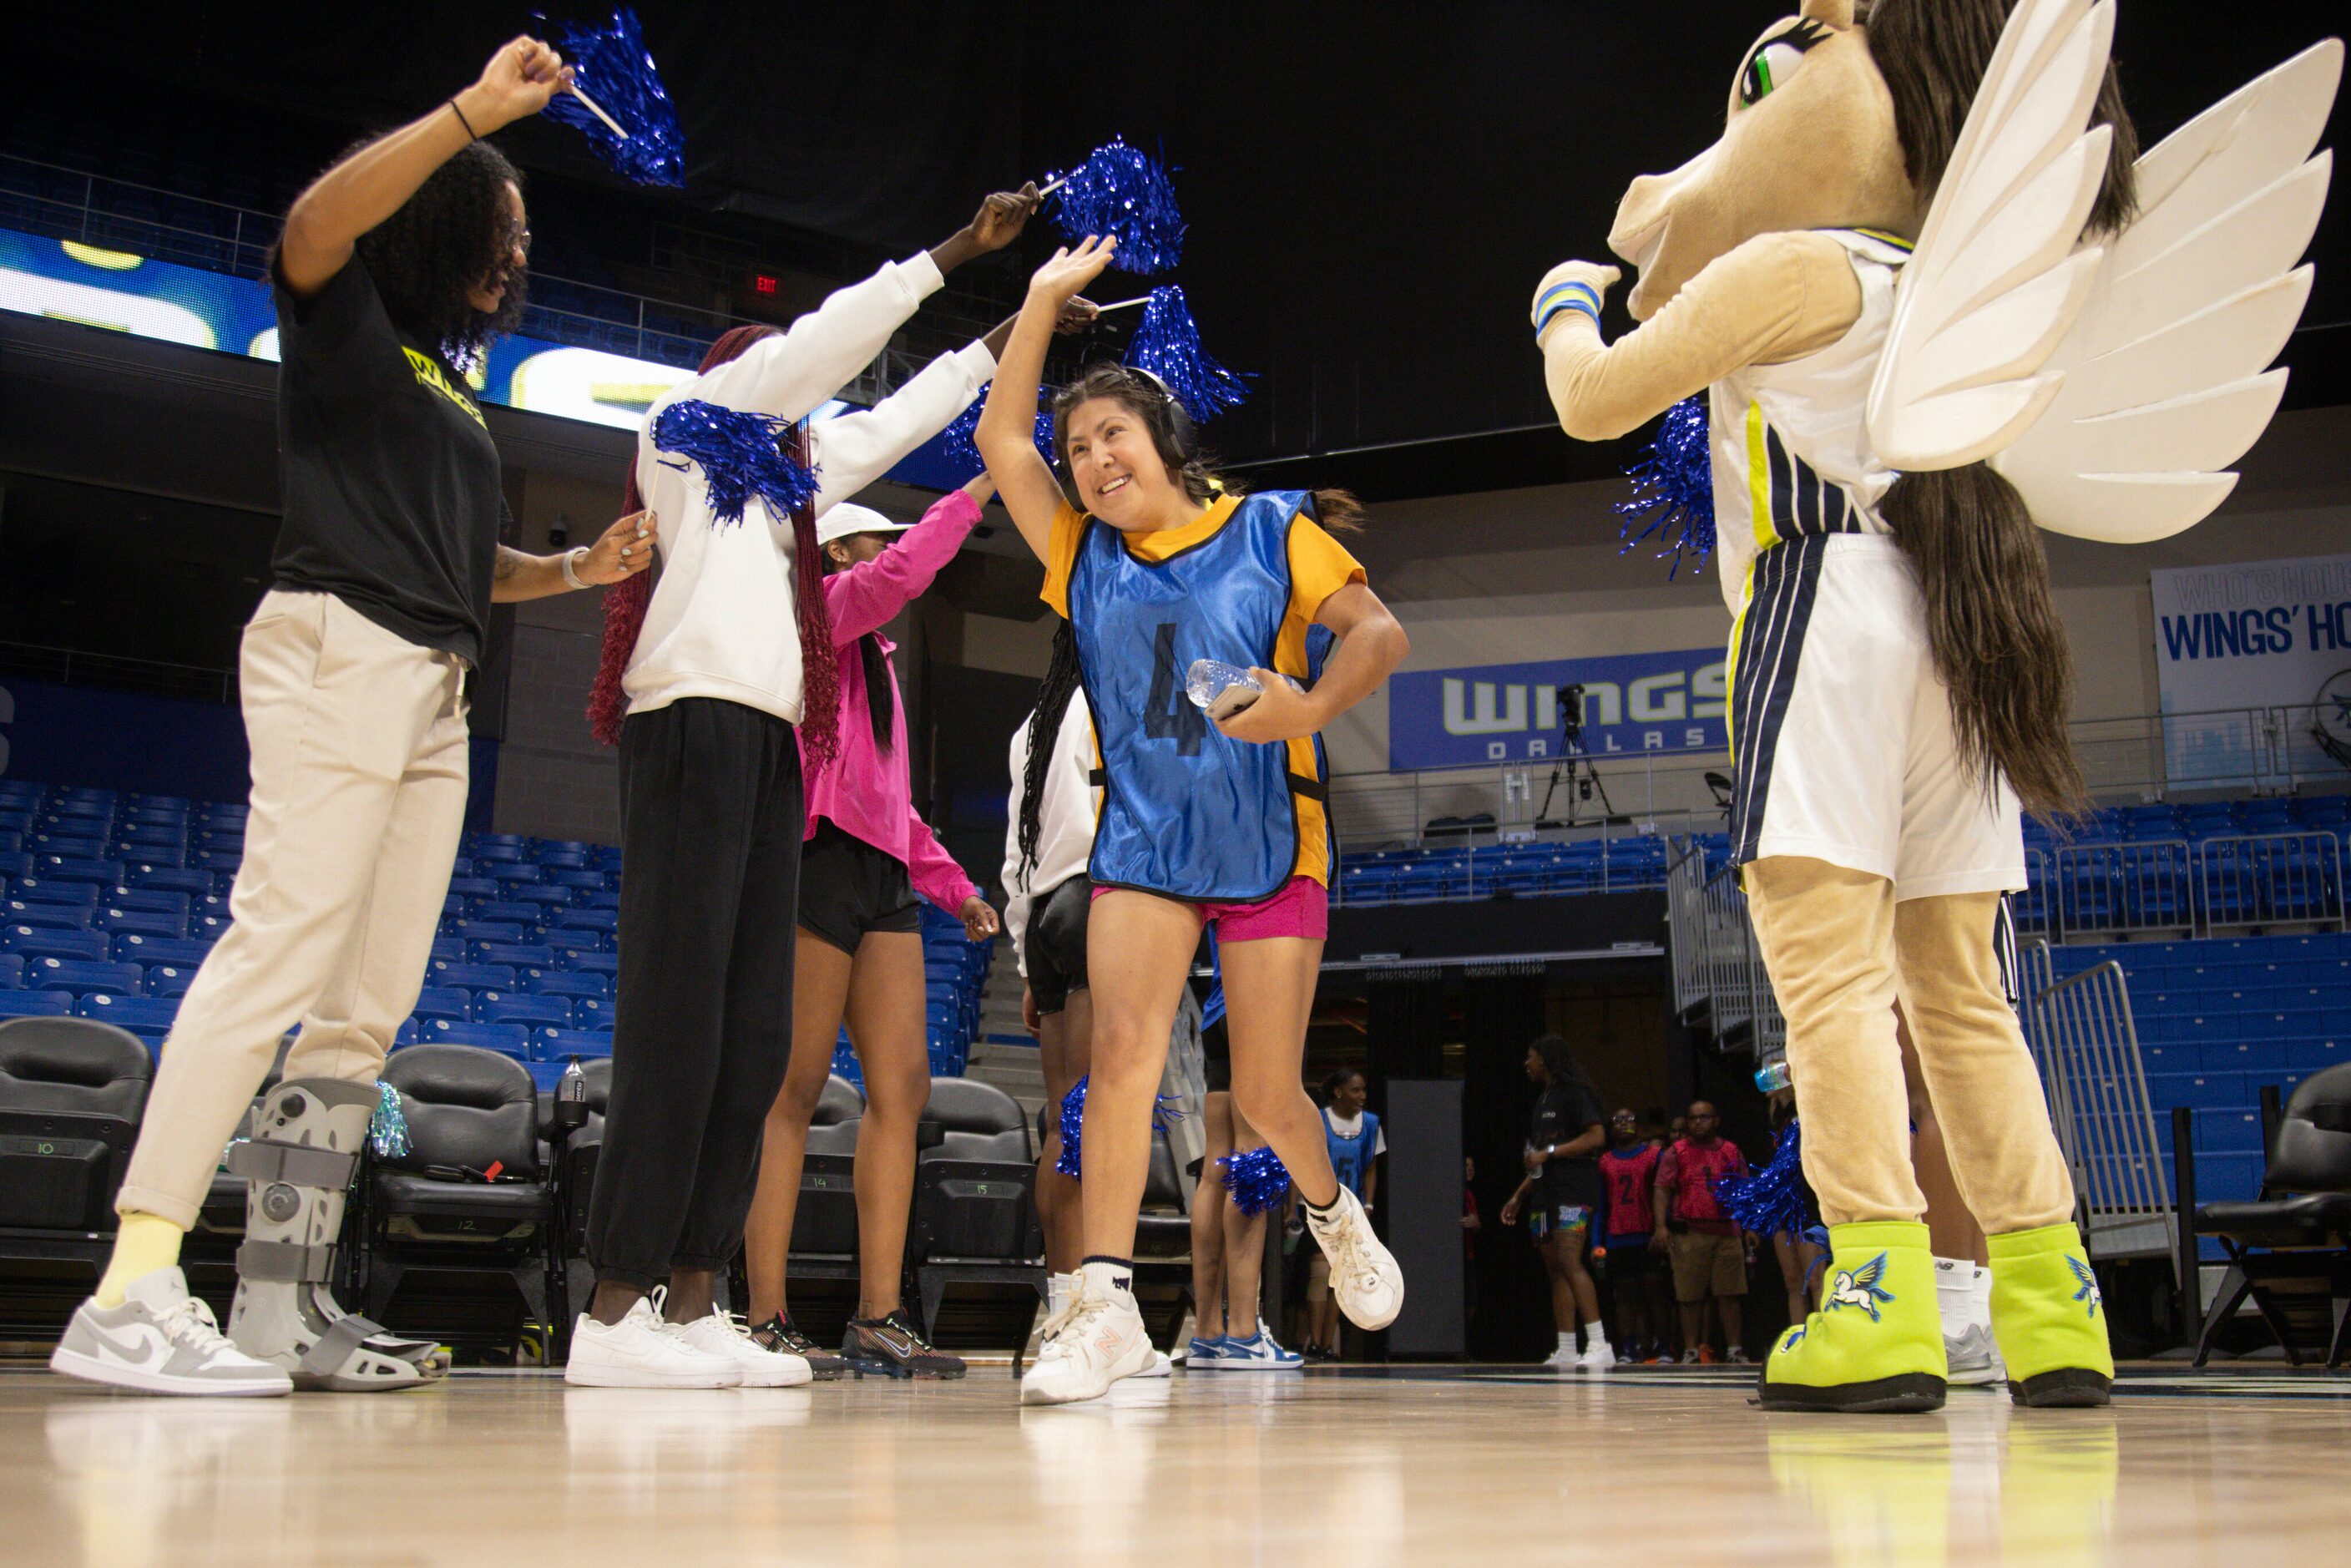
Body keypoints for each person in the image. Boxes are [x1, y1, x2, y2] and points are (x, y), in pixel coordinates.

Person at [51, 35, 659, 1398]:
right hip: (339, 647)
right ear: (443, 220)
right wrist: (470, 116)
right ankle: (135, 1278)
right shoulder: (344, 322)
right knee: (280, 952)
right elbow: (313, 222)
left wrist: (570, 571)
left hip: (431, 679)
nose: (517, 253)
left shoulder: (450, 393)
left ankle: (277, 1300)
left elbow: (461, 563)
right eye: (501, 227)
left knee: (357, 1013)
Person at [569, 181, 1063, 1390]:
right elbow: (825, 348)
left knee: (748, 1031)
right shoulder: (682, 431)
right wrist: (957, 247)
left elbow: (905, 411)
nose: (809, 408)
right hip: (686, 729)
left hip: (768, 749)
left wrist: (1033, 316)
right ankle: (612, 1306)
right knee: (678, 1018)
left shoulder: (791, 484)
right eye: (786, 386)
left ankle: (694, 1302)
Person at [976, 234, 1410, 1405]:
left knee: (1268, 1097)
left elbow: (1381, 635)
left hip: (1273, 839)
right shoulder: (1080, 556)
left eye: (1113, 432)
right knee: (1119, 1064)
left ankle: (1333, 1211)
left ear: (1163, 440)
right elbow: (998, 441)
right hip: (1147, 847)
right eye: (1079, 447)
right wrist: (1035, 301)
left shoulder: (1272, 529)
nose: (1092, 456)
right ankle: (1107, 1305)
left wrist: (1306, 704)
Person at [737, 483, 1008, 1382]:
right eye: (875, 544)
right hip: (816, 865)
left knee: (902, 1089)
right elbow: (901, 573)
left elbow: (894, 806)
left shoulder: (877, 657)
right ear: (843, 554)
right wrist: (976, 490)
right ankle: (765, 1314)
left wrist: (956, 891)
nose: (888, 555)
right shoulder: (822, 615)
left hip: (882, 878)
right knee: (794, 1090)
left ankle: (878, 1317)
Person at [1004, 621, 1099, 1295]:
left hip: (1043, 916)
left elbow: (1016, 854)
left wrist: (1022, 960)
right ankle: (1092, 1308)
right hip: (1099, 895)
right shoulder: (1115, 698)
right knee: (1098, 1121)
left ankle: (1064, 1302)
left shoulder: (1031, 726)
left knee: (1064, 1122)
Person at [1184, 991, 1302, 1371]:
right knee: (1253, 1158)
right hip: (1257, 1000)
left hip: (1217, 1008)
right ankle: (1243, 1333)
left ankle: (1207, 1334)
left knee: (1213, 1173)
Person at [1499, 1037, 1610, 1370]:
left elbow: (1596, 1137)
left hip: (1574, 1192)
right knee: (1556, 1270)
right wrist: (1519, 1196)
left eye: (1530, 1058)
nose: (1526, 1064)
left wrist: (1549, 1153)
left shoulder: (1576, 1093)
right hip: (1544, 1195)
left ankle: (1600, 1344)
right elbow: (1537, 1160)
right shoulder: (1541, 1101)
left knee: (1570, 1260)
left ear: (1546, 1060)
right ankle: (1566, 1347)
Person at [1653, 1100, 1752, 1364]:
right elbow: (1662, 1188)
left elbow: (1744, 1190)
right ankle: (1690, 1350)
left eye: (1704, 1117)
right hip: (1689, 1232)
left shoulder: (1731, 1151)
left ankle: (1734, 1350)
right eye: (1693, 1118)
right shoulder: (1677, 1152)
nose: (1698, 1122)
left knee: (1730, 1294)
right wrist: (1661, 1226)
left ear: (1716, 1120)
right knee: (1689, 1296)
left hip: (1727, 1231)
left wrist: (1750, 1226)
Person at [1302, 1067, 1385, 1361]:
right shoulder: (1318, 1120)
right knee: (1320, 1273)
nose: (1362, 1096)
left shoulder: (1372, 1124)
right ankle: (1314, 1343)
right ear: (1338, 1092)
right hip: (1320, 1205)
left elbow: (1371, 1168)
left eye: (1363, 1091)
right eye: (1356, 1090)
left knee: (1341, 1276)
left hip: (1353, 1211)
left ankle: (1326, 1345)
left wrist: (1369, 1204)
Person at [1596, 1108, 1669, 1363]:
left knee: (1655, 1293)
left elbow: (1663, 1194)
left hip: (1647, 1235)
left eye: (1630, 1119)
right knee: (1625, 1296)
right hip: (1618, 1237)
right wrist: (1598, 1242)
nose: (1624, 1123)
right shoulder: (1605, 1161)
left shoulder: (1654, 1155)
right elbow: (1601, 1205)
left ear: (1639, 1127)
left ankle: (1663, 1346)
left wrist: (1662, 1228)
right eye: (1618, 1120)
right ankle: (1628, 1347)